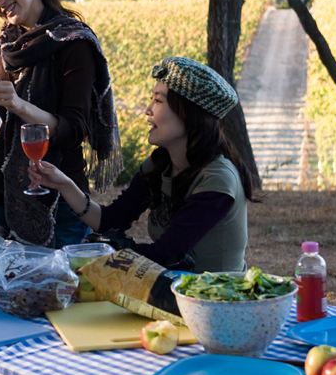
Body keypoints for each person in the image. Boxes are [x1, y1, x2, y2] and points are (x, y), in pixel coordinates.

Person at [29, 56, 257, 272]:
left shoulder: (217, 179)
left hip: (215, 300)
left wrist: (99, 255)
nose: (147, 110)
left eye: (158, 101)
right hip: (173, 288)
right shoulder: (159, 165)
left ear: (189, 114)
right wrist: (64, 185)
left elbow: (165, 253)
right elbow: (108, 221)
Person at [0, 0, 123, 248]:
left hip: (60, 199)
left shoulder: (73, 43)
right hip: (0, 193)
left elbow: (72, 129)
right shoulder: (7, 47)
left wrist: (16, 105)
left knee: (59, 291)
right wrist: (1, 131)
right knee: (3, 289)